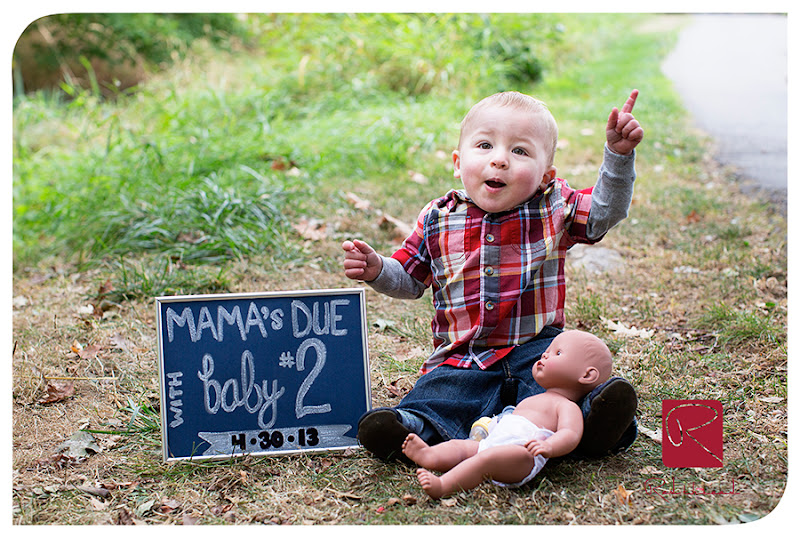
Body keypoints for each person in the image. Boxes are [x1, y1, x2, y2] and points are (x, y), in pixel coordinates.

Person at [342, 89, 642, 462]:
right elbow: (408, 277)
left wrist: (618, 156)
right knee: (441, 394)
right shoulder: (437, 218)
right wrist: (377, 269)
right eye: (485, 145)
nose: (499, 159)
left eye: (520, 151)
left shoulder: (555, 206)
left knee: (560, 391)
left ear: (545, 175)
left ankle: (596, 423)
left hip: (537, 352)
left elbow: (603, 211)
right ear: (458, 162)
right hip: (464, 356)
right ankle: (408, 429)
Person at [402, 330, 612, 499]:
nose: (545, 354)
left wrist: (550, 446)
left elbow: (570, 434)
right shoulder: (533, 398)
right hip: (493, 443)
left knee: (486, 459)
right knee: (462, 447)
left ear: (587, 375)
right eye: (547, 350)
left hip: (523, 455)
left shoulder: (566, 406)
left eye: (557, 353)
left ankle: (443, 486)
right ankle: (430, 455)